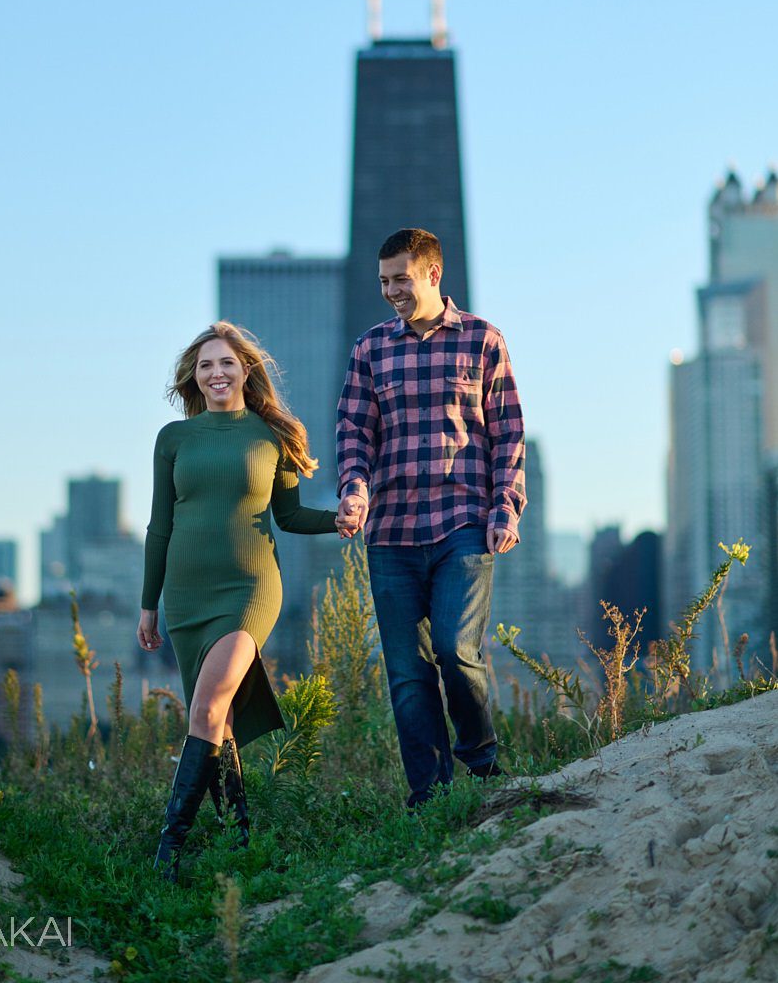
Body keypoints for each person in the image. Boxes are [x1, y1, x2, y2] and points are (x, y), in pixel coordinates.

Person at [139, 321, 355, 880]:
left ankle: (168, 852)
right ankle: (239, 837)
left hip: (250, 589)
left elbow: (289, 516)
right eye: (206, 365)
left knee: (207, 708)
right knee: (220, 719)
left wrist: (340, 521)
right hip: (187, 595)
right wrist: (148, 604)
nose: (216, 373)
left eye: (227, 363)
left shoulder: (269, 436)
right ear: (194, 375)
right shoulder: (173, 439)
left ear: (245, 371)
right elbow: (159, 526)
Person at [336, 228, 526, 808]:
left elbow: (509, 434)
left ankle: (482, 759)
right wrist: (353, 490)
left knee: (454, 649)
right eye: (384, 281)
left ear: (433, 274)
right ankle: (430, 797)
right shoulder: (371, 350)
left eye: (401, 278)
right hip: (391, 532)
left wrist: (505, 508)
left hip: (463, 524)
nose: (391, 290)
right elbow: (353, 434)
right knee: (407, 676)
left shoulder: (482, 339)